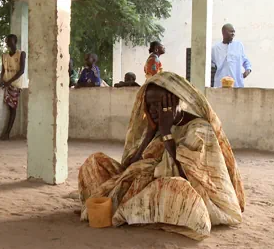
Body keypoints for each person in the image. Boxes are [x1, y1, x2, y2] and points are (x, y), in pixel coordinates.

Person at [78, 72, 245, 240]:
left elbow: (186, 175)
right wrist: (151, 133)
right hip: (148, 181)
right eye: (149, 105)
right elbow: (129, 167)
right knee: (95, 162)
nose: (154, 111)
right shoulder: (156, 126)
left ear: (177, 100)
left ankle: (130, 207)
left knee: (174, 187)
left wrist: (166, 133)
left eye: (160, 104)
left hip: (188, 190)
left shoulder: (199, 129)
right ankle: (130, 204)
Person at [0, 34, 26, 140]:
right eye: (7, 41)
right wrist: (1, 80)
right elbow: (3, 70)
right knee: (10, 107)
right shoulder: (5, 56)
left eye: (10, 41)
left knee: (12, 108)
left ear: (15, 42)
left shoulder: (21, 54)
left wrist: (9, 82)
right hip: (6, 82)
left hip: (15, 84)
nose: (8, 43)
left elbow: (21, 71)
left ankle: (7, 133)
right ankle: (6, 133)